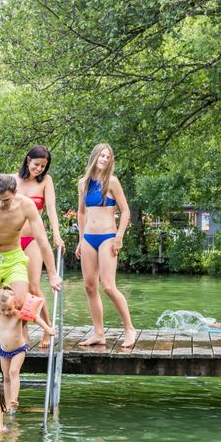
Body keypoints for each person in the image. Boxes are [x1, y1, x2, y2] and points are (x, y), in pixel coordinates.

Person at [0, 174, 62, 378]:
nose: (1, 204)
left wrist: (53, 274)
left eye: (6, 200)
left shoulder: (26, 206)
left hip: (13, 257)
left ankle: (14, 359)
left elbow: (43, 241)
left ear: (15, 193)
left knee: (19, 304)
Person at [76, 143, 137, 349]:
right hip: (88, 239)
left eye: (108, 156)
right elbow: (82, 213)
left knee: (109, 286)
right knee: (89, 286)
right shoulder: (83, 183)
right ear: (94, 156)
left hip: (107, 238)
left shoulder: (112, 182)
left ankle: (129, 329)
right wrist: (81, 238)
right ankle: (98, 333)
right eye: (102, 155)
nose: (104, 159)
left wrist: (119, 236)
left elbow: (126, 211)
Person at [16, 145, 65, 348]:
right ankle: (23, 331)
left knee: (34, 286)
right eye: (37, 165)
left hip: (34, 239)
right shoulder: (13, 180)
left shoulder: (46, 181)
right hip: (13, 239)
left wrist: (57, 234)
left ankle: (47, 328)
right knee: (18, 289)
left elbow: (51, 209)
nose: (39, 169)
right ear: (28, 160)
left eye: (43, 166)